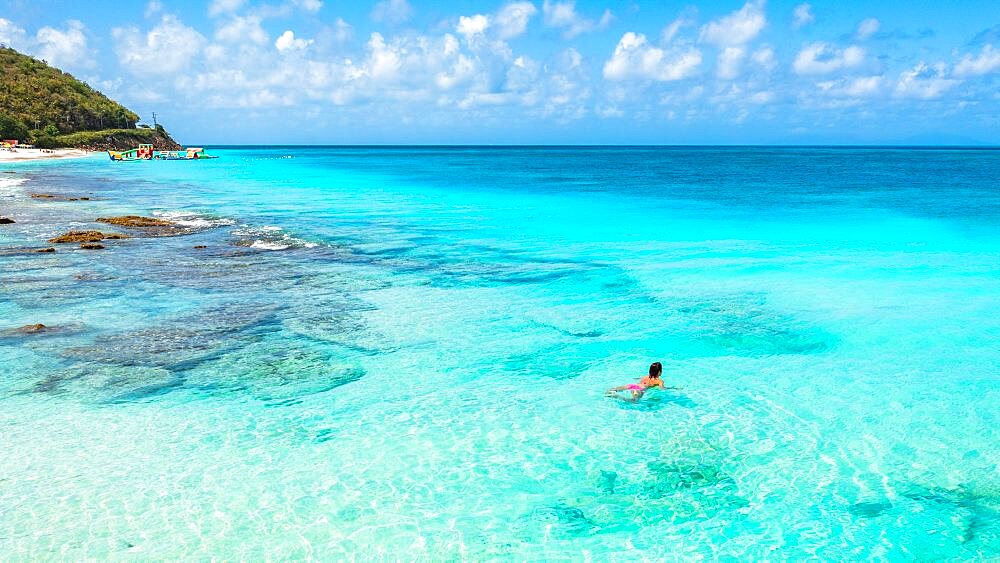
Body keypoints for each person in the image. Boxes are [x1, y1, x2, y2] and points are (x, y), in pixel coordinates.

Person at [605, 362, 677, 402]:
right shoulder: (659, 381)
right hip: (640, 390)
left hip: (633, 386)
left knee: (614, 389)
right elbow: (662, 389)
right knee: (634, 401)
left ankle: (610, 391)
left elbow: (639, 378)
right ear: (659, 372)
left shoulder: (645, 377)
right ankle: (616, 396)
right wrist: (672, 388)